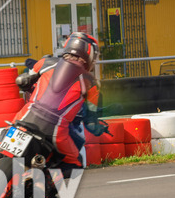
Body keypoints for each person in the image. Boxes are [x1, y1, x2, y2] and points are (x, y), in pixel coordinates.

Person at [13, 32, 107, 172]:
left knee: (8, 134)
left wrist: (29, 87)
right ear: (90, 53)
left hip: (25, 116)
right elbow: (91, 120)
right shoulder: (91, 83)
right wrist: (99, 128)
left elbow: (22, 80)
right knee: (75, 165)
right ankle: (46, 188)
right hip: (55, 130)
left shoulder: (45, 62)